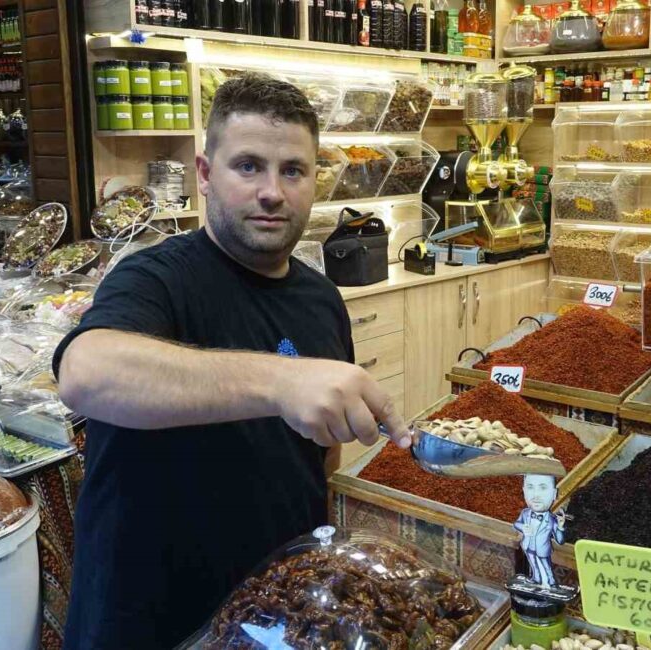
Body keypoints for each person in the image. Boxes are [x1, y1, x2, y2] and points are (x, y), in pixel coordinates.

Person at [54, 73, 411, 649]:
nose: (272, 191)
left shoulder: (321, 299)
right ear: (203, 175)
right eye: (248, 166)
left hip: (277, 614)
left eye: (292, 170)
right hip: (150, 622)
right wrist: (280, 380)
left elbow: (319, 461)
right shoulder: (156, 277)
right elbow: (87, 373)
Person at [514, 474, 567, 587]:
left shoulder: (552, 519)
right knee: (533, 563)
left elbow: (560, 540)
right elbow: (517, 524)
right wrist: (523, 527)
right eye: (530, 487)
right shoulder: (525, 513)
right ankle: (536, 578)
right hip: (528, 545)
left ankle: (551, 582)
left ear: (554, 494)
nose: (536, 495)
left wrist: (561, 527)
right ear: (523, 490)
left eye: (543, 488)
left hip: (542, 547)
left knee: (546, 565)